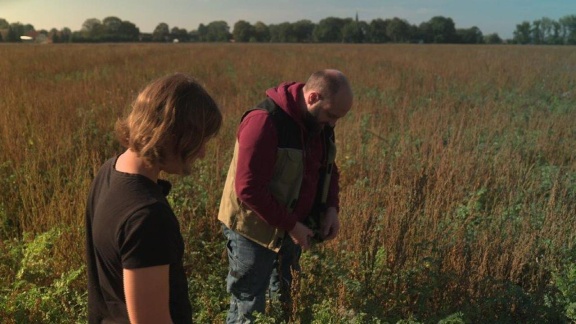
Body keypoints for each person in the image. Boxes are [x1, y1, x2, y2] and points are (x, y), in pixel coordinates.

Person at [85, 73, 222, 324]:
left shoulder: (109, 171)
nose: (202, 153)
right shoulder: (147, 217)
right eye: (199, 141)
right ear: (170, 134)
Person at [218, 69, 353, 323]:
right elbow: (248, 189)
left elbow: (328, 167)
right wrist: (292, 225)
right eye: (331, 115)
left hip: (291, 226)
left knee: (283, 295)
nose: (333, 124)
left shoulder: (318, 122)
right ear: (313, 97)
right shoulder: (264, 122)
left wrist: (331, 208)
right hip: (252, 229)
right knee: (249, 304)